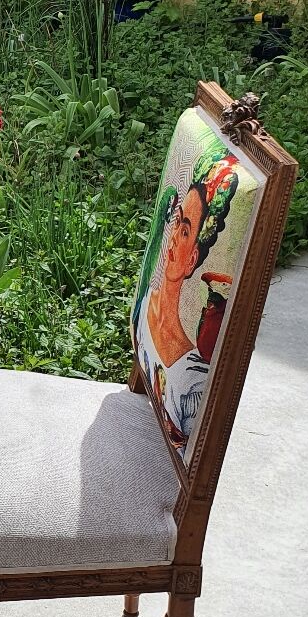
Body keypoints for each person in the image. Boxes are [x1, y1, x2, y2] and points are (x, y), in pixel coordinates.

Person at [132, 138, 240, 452]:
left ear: (193, 258)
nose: (172, 239)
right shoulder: (147, 305)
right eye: (177, 221)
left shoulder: (191, 379)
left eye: (184, 230)